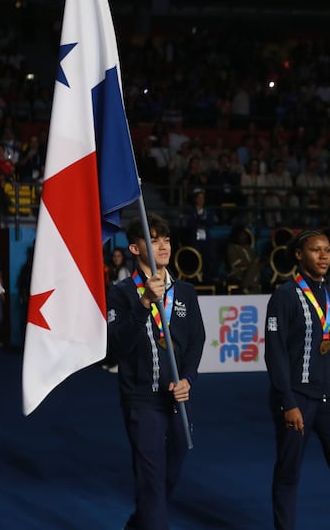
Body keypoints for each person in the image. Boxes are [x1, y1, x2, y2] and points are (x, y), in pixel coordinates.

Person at [106, 213, 205, 530]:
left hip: (177, 401)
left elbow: (196, 340)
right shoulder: (120, 293)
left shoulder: (185, 292)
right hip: (141, 401)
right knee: (151, 482)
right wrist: (144, 302)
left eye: (166, 239)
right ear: (134, 248)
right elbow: (115, 347)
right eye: (154, 239)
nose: (163, 245)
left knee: (165, 480)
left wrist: (188, 378)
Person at [264, 230, 330, 530]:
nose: (323, 256)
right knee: (289, 473)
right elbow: (275, 354)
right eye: (315, 250)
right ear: (298, 255)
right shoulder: (284, 296)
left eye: (327, 251)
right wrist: (288, 402)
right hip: (298, 400)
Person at [225, 224, 261, 294]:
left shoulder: (248, 248)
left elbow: (255, 260)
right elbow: (236, 263)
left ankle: (247, 289)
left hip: (252, 271)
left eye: (245, 234)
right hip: (237, 271)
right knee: (254, 271)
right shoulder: (231, 247)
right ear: (236, 235)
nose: (244, 236)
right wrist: (251, 264)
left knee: (255, 270)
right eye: (242, 234)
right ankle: (248, 288)